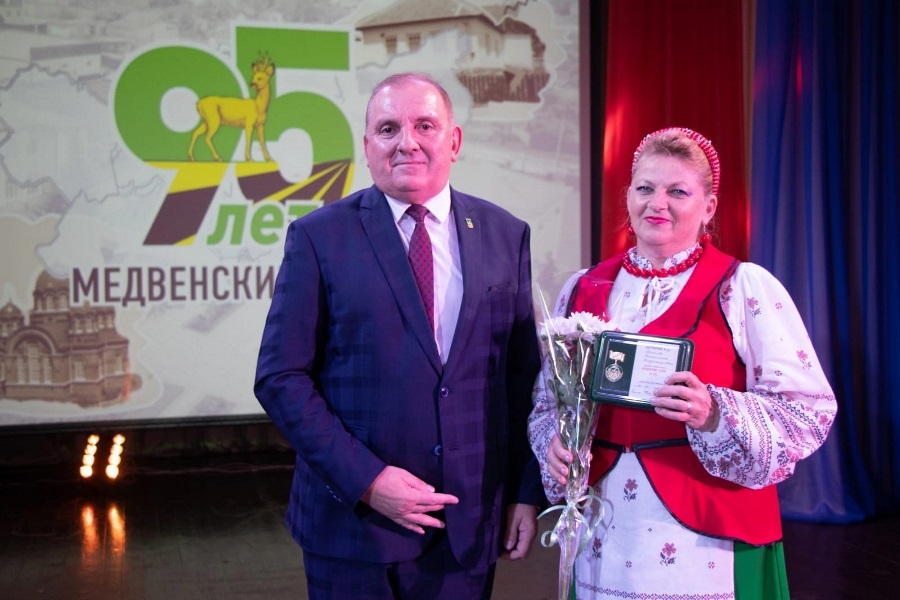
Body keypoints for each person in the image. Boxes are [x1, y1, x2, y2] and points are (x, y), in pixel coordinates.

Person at [254, 72, 544, 600]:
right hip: (353, 530)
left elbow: (522, 379)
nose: (407, 142)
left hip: (467, 528)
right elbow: (281, 377)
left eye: (424, 125)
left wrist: (526, 490)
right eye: (388, 129)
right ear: (367, 146)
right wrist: (367, 480)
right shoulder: (318, 237)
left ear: (453, 141)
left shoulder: (507, 234)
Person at [528, 127, 837, 599]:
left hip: (705, 528)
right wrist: (556, 441)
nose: (658, 203)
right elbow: (548, 400)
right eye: (645, 188)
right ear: (628, 196)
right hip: (605, 522)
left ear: (708, 207)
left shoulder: (744, 287)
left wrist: (715, 413)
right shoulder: (583, 287)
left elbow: (808, 410)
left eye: (678, 191)